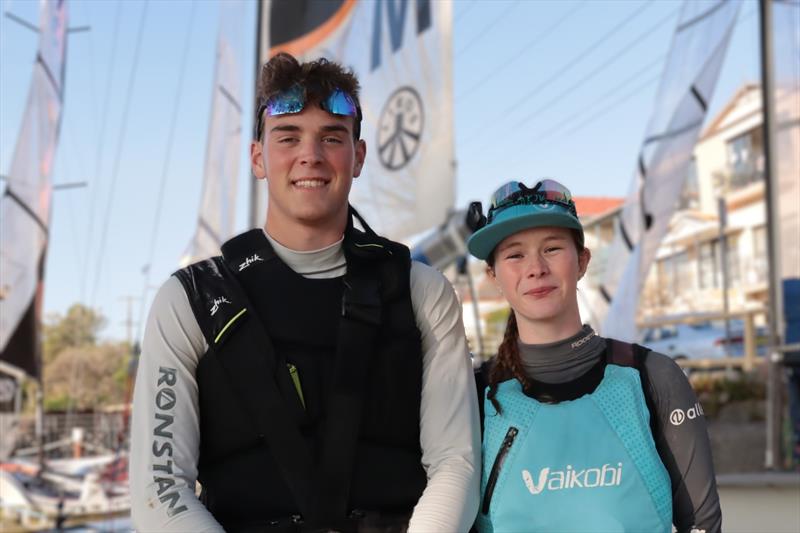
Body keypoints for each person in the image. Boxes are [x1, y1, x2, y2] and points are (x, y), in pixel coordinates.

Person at [130, 52, 480, 532]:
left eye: (332, 138)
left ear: (358, 156)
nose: (309, 155)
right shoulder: (187, 301)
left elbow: (455, 462)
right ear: (258, 158)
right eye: (288, 137)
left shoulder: (422, 293)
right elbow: (159, 487)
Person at [466, 179, 721, 533]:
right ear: (493, 275)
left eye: (552, 249)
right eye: (515, 254)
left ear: (582, 261)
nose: (536, 267)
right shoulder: (476, 394)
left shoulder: (651, 377)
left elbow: (703, 525)